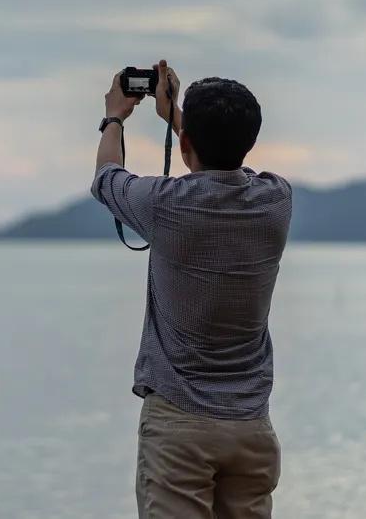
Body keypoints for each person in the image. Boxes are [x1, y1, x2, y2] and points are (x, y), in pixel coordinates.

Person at [91, 60, 292, 519]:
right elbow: (227, 162)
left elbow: (106, 178)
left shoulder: (164, 204)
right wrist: (178, 118)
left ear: (185, 146)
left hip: (180, 426)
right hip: (250, 428)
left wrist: (115, 116)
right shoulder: (276, 201)